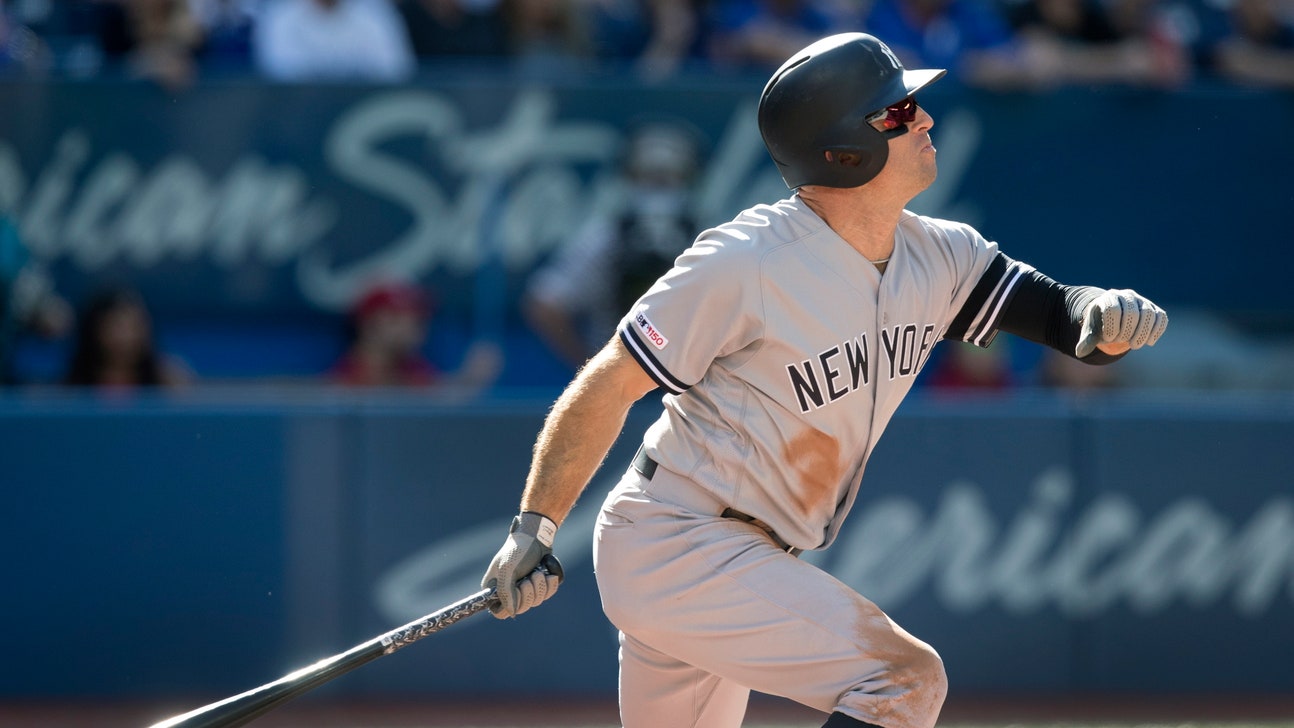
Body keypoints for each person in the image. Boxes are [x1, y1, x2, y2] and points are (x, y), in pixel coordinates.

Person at [479, 32, 1168, 728]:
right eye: (897, 113)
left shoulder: (943, 255)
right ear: (844, 151)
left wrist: (1102, 314)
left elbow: (1061, 317)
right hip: (679, 540)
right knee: (901, 679)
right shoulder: (744, 261)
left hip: (736, 549)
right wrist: (534, 525)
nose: (924, 118)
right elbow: (608, 384)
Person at [523, 120, 704, 372]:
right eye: (649, 176)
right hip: (619, 381)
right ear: (631, 176)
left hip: (690, 385)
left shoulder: (706, 240)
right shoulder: (605, 239)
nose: (658, 187)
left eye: (669, 177)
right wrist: (591, 370)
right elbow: (544, 304)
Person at [330, 280, 502, 391]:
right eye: (397, 318)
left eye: (417, 318)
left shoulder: (414, 371)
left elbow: (439, 401)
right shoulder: (345, 379)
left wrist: (470, 380)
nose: (412, 327)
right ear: (369, 324)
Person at [62, 286, 191, 390]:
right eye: (116, 327)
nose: (126, 337)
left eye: (134, 327)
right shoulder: (72, 389)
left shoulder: (168, 381)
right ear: (94, 330)